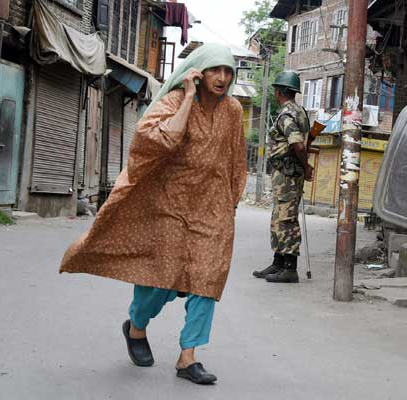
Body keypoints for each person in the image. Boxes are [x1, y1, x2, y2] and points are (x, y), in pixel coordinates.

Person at [59, 43, 247, 385]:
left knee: (207, 278)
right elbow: (158, 142)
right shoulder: (173, 102)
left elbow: (236, 159)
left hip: (213, 207)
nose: (222, 78)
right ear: (199, 73)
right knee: (160, 278)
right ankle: (136, 326)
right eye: (214, 70)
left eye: (228, 71)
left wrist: (231, 201)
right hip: (170, 204)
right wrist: (188, 97)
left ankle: (188, 356)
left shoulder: (233, 110)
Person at [252, 70, 313, 283]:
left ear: (279, 92)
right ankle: (278, 262)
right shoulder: (300, 111)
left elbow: (297, 143)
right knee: (279, 218)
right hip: (286, 174)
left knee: (286, 220)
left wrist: (306, 167)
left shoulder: (287, 115)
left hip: (288, 174)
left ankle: (290, 268)